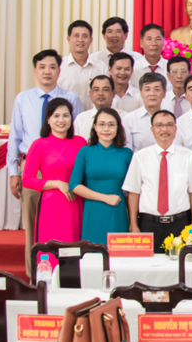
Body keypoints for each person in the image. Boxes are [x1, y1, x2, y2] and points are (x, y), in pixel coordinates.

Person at [7, 49, 83, 276]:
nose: (47, 71)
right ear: (35, 71)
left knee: (70, 226)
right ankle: (37, 276)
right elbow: (15, 136)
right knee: (34, 225)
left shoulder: (72, 99)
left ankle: (71, 275)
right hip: (32, 165)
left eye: (52, 67)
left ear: (59, 70)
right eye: (42, 67)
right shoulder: (23, 98)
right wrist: (13, 172)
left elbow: (76, 134)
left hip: (67, 168)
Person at [123, 110, 192, 246]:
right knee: (149, 260)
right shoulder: (140, 157)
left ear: (175, 129)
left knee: (180, 259)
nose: (164, 129)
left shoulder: (188, 156)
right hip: (148, 223)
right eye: (159, 125)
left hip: (180, 223)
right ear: (152, 129)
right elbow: (134, 192)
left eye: (169, 125)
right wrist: (133, 224)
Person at [22, 98, 87, 268]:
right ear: (48, 120)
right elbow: (27, 180)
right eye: (56, 115)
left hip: (76, 203)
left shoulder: (81, 143)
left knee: (75, 246)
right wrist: (58, 183)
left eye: (66, 115)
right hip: (51, 205)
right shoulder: (39, 145)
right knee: (51, 251)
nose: (61, 120)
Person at [69, 108, 133, 244]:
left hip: (118, 211)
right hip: (93, 211)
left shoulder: (126, 154)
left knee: (117, 253)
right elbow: (74, 185)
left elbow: (134, 189)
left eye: (111, 124)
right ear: (95, 127)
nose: (106, 129)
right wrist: (105, 198)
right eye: (102, 124)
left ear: (118, 128)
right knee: (93, 253)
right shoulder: (85, 152)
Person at [58, 20, 107, 110]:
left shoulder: (101, 67)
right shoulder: (60, 66)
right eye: (76, 36)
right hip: (67, 117)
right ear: (69, 39)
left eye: (85, 36)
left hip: (95, 117)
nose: (80, 40)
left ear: (90, 40)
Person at [73, 75, 125, 146]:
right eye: (96, 90)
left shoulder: (124, 117)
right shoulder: (80, 119)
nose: (100, 93)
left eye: (105, 90)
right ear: (90, 94)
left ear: (113, 94)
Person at [122, 72, 168, 151]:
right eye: (147, 89)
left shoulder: (171, 119)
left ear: (164, 93)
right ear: (141, 93)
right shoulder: (129, 120)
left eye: (157, 89)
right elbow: (127, 150)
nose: (152, 94)